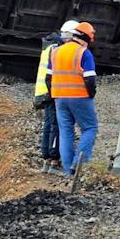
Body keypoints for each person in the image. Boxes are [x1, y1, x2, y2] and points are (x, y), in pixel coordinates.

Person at [46, 21, 98, 176]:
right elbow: (90, 79)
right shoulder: (84, 53)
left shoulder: (56, 51)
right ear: (84, 38)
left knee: (66, 131)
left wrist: (55, 94)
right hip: (79, 96)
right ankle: (78, 164)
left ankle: (68, 171)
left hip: (59, 97)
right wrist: (91, 94)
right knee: (90, 128)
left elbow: (48, 78)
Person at [34, 20, 79, 173]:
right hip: (53, 92)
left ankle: (47, 160)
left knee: (49, 125)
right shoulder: (58, 49)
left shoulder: (50, 46)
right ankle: (53, 161)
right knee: (56, 126)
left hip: (45, 92)